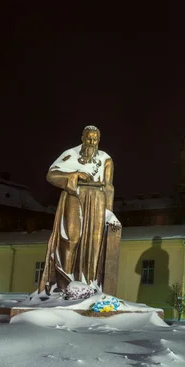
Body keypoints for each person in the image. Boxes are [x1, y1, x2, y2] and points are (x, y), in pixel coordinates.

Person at [38, 125, 120, 294]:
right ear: (82, 138)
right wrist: (74, 174)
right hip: (75, 194)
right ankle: (64, 282)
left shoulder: (106, 159)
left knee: (94, 242)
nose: (92, 142)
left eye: (95, 139)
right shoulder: (71, 154)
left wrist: (109, 212)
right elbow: (51, 175)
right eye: (89, 138)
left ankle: (89, 283)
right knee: (71, 237)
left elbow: (109, 186)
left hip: (98, 199)